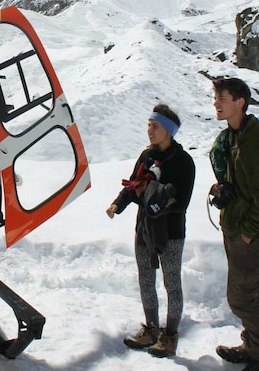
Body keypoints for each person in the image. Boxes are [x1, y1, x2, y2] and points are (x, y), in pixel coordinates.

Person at [106, 104, 196, 358]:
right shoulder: (146, 156)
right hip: (144, 228)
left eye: (155, 126)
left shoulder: (184, 163)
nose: (149, 131)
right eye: (148, 125)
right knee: (146, 279)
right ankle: (152, 329)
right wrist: (118, 204)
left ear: (168, 130)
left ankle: (171, 335)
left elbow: (181, 204)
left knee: (171, 283)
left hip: (171, 232)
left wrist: (152, 195)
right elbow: (132, 184)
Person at [208, 78, 259, 371]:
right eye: (215, 97)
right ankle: (253, 345)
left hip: (246, 232)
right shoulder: (235, 136)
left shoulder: (256, 140)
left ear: (240, 101)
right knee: (246, 295)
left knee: (242, 298)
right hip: (236, 227)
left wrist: (250, 232)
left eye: (222, 98)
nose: (216, 103)